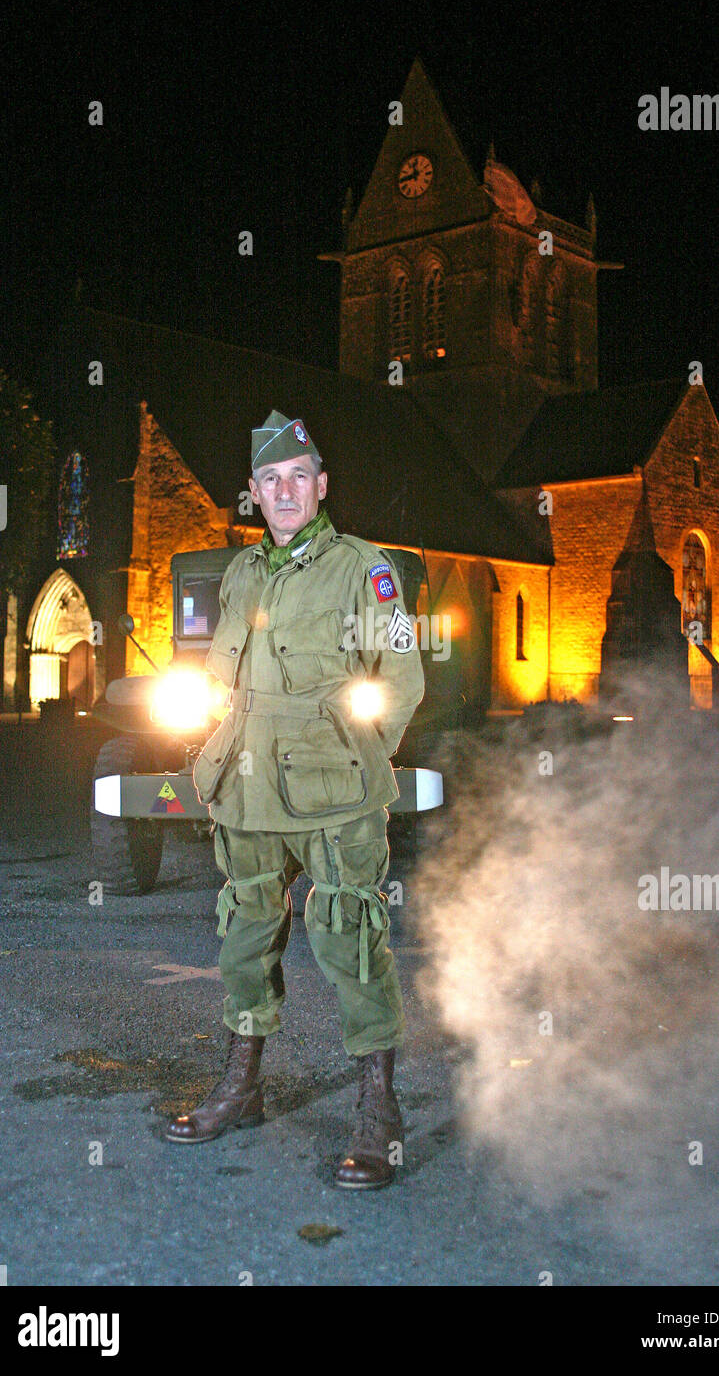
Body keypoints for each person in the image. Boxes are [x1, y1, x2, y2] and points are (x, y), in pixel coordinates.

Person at [165, 409, 425, 1189]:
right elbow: (221, 677)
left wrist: (363, 759)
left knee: (347, 933)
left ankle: (378, 1109)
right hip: (245, 785)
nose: (284, 491)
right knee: (245, 932)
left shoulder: (364, 568)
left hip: (332, 786)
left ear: (321, 486)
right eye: (269, 480)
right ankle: (242, 1085)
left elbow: (402, 677)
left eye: (297, 478)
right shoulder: (241, 573)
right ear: (253, 493)